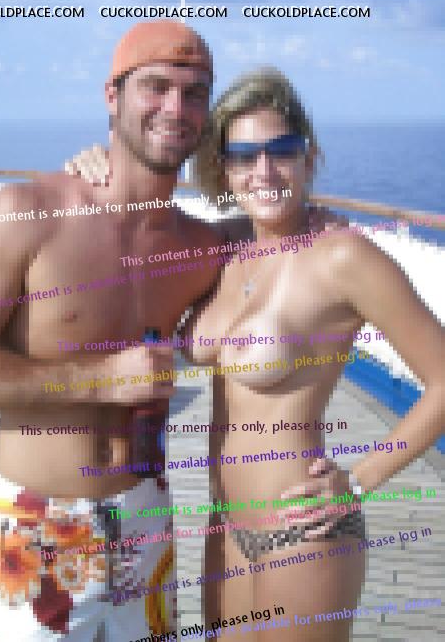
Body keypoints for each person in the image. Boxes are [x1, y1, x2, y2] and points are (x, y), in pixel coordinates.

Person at [0, 20, 221, 641]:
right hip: (38, 523)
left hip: (147, 517)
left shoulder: (201, 247)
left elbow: (281, 246)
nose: (176, 107)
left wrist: (313, 217)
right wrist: (99, 380)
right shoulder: (25, 215)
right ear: (112, 96)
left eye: (195, 93)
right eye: (156, 86)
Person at [183, 68, 445, 642]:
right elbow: (130, 229)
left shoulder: (343, 258)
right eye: (243, 156)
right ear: (223, 168)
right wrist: (92, 167)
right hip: (225, 527)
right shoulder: (223, 246)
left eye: (281, 150)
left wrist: (360, 479)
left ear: (309, 156)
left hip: (304, 532)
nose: (263, 171)